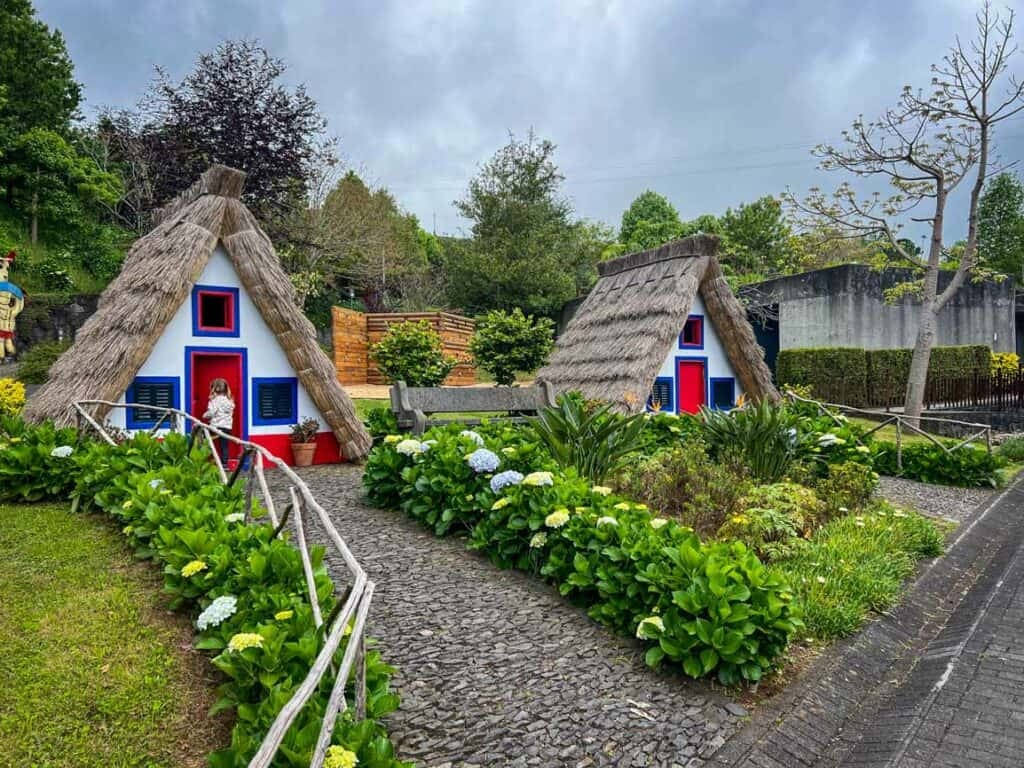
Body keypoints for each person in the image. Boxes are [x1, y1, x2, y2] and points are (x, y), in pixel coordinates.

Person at [203, 378, 235, 464]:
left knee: (204, 439)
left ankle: (209, 460)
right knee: (224, 446)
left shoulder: (215, 400)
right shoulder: (230, 400)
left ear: (214, 388)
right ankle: (225, 464)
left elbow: (211, 412)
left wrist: (204, 415)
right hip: (227, 427)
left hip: (216, 427)